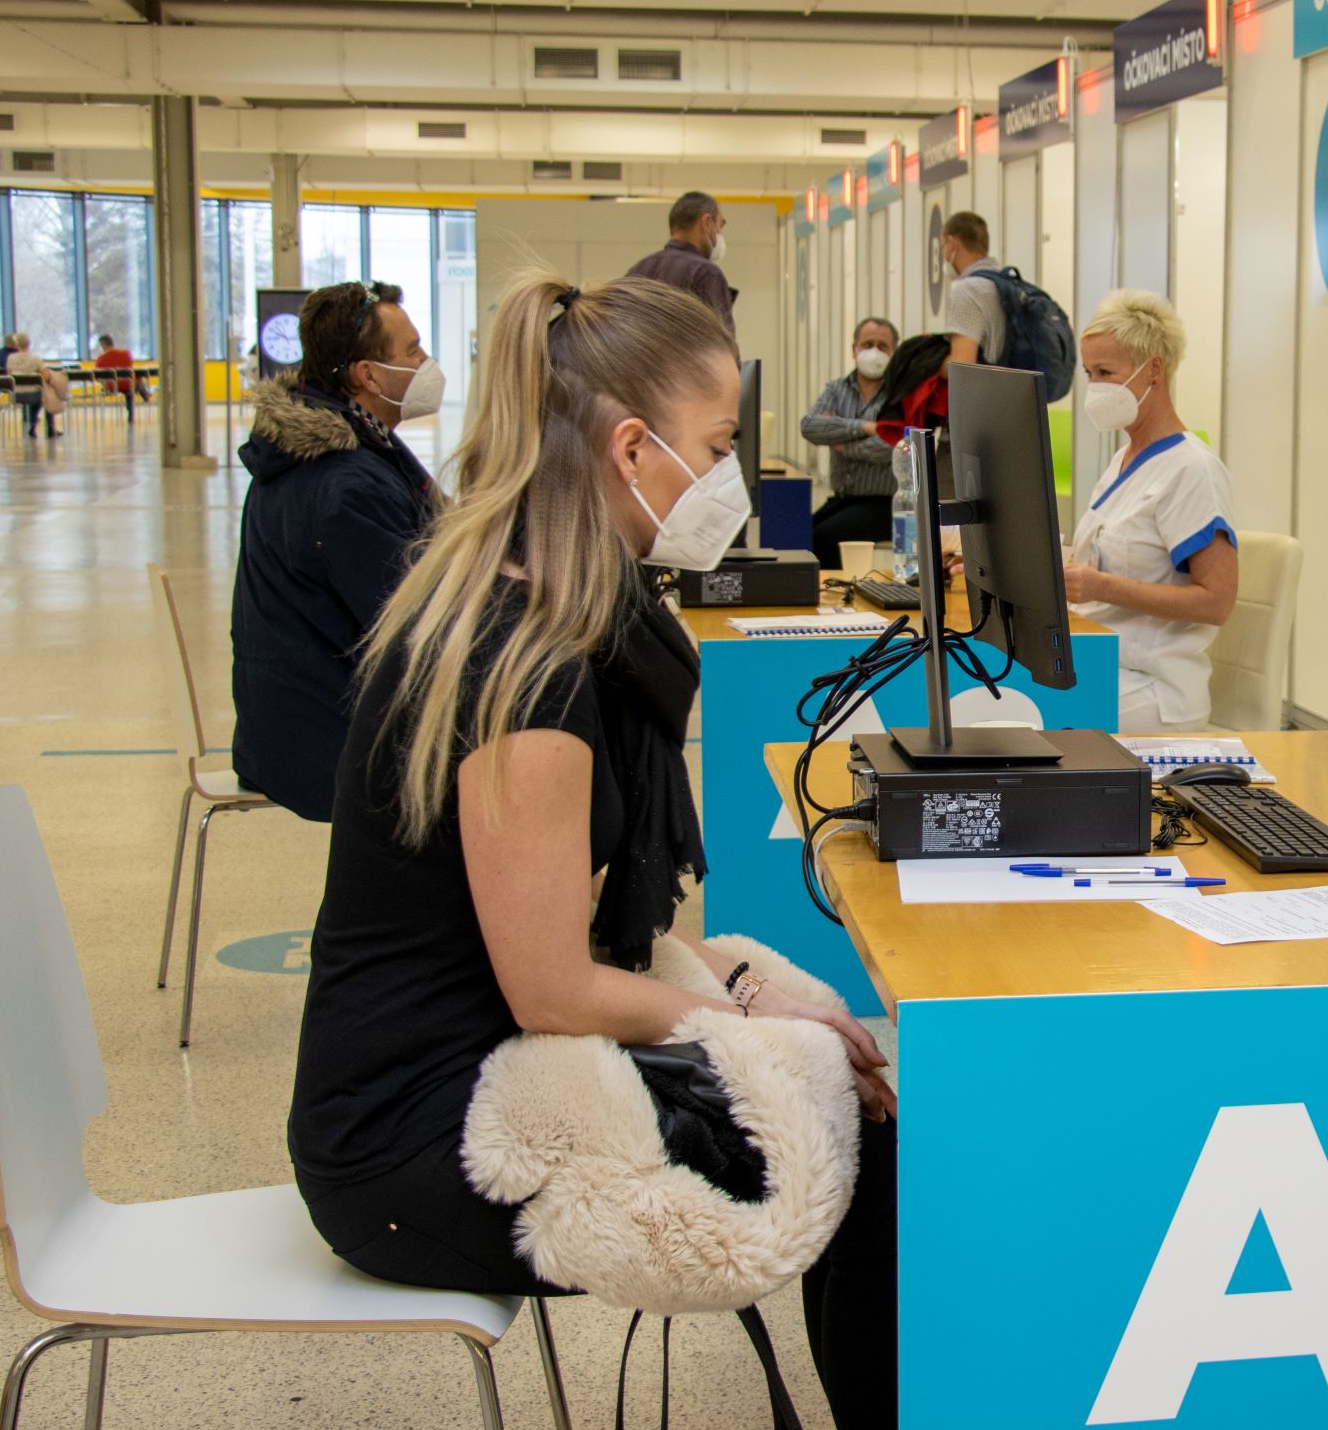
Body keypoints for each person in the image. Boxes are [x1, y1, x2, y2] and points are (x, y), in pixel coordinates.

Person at [288, 272, 896, 1426]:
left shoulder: (535, 606)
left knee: (848, 1104)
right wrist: (755, 1020)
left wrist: (743, 987)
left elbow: (598, 927)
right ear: (631, 449)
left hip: (468, 1062)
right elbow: (553, 985)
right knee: (867, 1157)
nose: (733, 476)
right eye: (718, 446)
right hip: (412, 1140)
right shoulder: (526, 676)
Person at [230, 280, 441, 823]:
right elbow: (416, 617)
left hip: (299, 713)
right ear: (368, 375)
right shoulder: (345, 485)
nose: (426, 362)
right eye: (413, 350)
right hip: (323, 736)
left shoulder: (352, 449)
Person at [1063, 290, 1239, 734]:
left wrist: (1101, 586)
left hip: (1155, 689)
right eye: (1089, 373)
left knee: (1021, 728)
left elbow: (1217, 601)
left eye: (1106, 372)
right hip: (1106, 666)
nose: (1095, 387)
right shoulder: (1123, 460)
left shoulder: (1191, 469)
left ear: (1154, 370)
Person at [800, 317, 902, 570]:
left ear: (894, 352)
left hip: (883, 504)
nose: (874, 352)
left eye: (882, 346)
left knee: (826, 536)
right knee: (798, 535)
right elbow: (810, 427)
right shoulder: (837, 389)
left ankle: (838, 594)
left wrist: (843, 444)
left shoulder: (899, 394)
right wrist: (863, 427)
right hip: (843, 498)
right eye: (867, 344)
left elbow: (890, 444)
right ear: (854, 349)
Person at [624, 190, 735, 334]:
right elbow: (722, 343)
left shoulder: (637, 270)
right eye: (720, 226)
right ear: (707, 223)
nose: (719, 235)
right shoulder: (705, 273)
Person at [939, 211, 1004, 368]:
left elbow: (962, 365)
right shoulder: (1004, 283)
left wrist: (926, 366)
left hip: (990, 391)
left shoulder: (967, 290)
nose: (944, 255)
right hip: (1023, 389)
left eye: (943, 247)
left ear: (952, 243)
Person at [2, 332, 59, 438]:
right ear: (29, 343)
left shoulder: (11, 358)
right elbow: (45, 375)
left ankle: (32, 425)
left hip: (16, 395)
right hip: (34, 394)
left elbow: (8, 373)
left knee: (37, 399)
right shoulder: (35, 358)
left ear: (17, 344)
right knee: (48, 397)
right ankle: (49, 427)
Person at [91, 334, 145, 423]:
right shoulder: (126, 354)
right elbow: (130, 370)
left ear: (103, 345)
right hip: (128, 384)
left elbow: (97, 376)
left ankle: (140, 389)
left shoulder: (101, 358)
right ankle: (131, 411)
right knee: (133, 383)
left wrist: (104, 384)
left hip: (111, 386)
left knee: (130, 383)